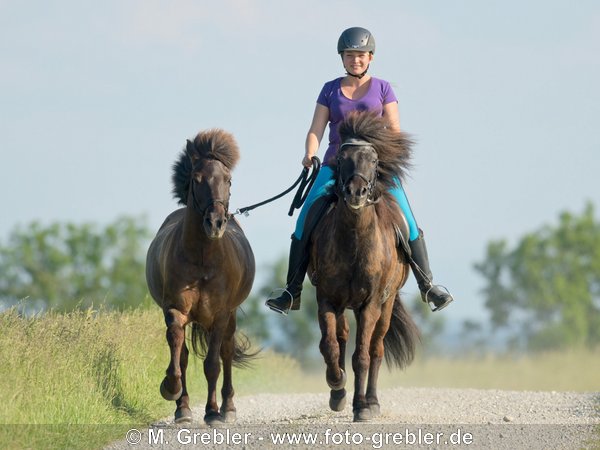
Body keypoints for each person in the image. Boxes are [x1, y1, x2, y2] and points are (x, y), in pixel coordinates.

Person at [266, 27, 453, 314]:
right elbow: (316, 128)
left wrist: (385, 159)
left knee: (408, 220)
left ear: (370, 58)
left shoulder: (383, 88)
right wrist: (309, 153)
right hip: (335, 165)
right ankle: (292, 290)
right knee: (304, 221)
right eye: (350, 55)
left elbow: (393, 130)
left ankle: (427, 285)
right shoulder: (329, 89)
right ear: (342, 58)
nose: (355, 60)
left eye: (361, 55)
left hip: (374, 168)